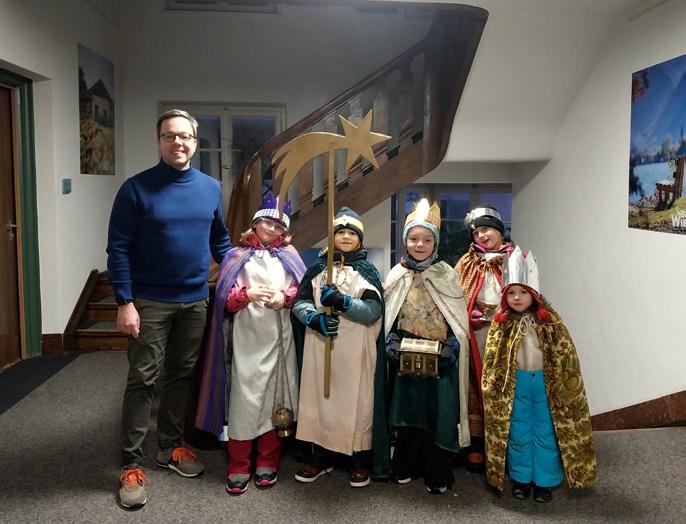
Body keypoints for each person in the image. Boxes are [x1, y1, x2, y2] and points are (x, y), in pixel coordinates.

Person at [107, 109, 232, 509]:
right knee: (143, 380)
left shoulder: (210, 188)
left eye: (184, 136)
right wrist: (124, 302)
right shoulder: (135, 189)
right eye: (169, 136)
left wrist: (252, 263)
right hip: (149, 301)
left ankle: (169, 447)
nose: (177, 142)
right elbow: (118, 248)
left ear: (195, 141)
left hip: (195, 301)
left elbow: (220, 240)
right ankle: (131, 464)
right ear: (159, 141)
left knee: (180, 376)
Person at [194, 193, 306, 495]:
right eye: (267, 223)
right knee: (244, 400)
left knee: (275, 397)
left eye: (278, 226)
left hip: (279, 337)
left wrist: (285, 298)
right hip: (246, 338)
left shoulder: (290, 255)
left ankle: (267, 461)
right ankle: (239, 464)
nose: (271, 229)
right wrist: (247, 295)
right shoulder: (236, 256)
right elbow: (224, 300)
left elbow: (304, 290)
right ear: (255, 223)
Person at [482, 247, 597, 502]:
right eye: (511, 292)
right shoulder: (501, 323)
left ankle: (545, 481)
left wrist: (564, 387)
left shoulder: (550, 321)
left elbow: (565, 356)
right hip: (516, 386)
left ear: (533, 293)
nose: (517, 297)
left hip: (546, 385)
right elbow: (493, 360)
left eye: (523, 292)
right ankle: (521, 479)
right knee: (518, 433)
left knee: (546, 432)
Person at [291, 207, 390, 487]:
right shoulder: (318, 269)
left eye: (351, 233)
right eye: (340, 232)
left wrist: (344, 302)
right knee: (318, 401)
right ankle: (319, 456)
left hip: (356, 349)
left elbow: (373, 311)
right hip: (320, 345)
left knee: (357, 402)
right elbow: (300, 302)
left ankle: (358, 460)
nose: (345, 237)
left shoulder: (367, 272)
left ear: (359, 239)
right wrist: (314, 318)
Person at [383, 199, 471, 494]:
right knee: (408, 414)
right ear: (405, 241)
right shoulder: (396, 275)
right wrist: (391, 342)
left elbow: (457, 319)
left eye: (426, 239)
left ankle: (437, 472)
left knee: (438, 415)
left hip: (440, 357)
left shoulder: (446, 274)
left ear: (435, 242)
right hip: (406, 354)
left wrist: (453, 347)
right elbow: (389, 316)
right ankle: (406, 465)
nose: (419, 245)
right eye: (413, 239)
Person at [454, 205, 512, 473]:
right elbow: (455, 296)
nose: (481, 236)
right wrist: (468, 313)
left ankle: (505, 445)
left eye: (486, 229)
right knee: (474, 386)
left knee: (504, 384)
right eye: (476, 232)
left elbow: (526, 294)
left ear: (499, 231)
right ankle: (476, 444)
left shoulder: (514, 260)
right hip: (475, 334)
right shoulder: (466, 262)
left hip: (506, 334)